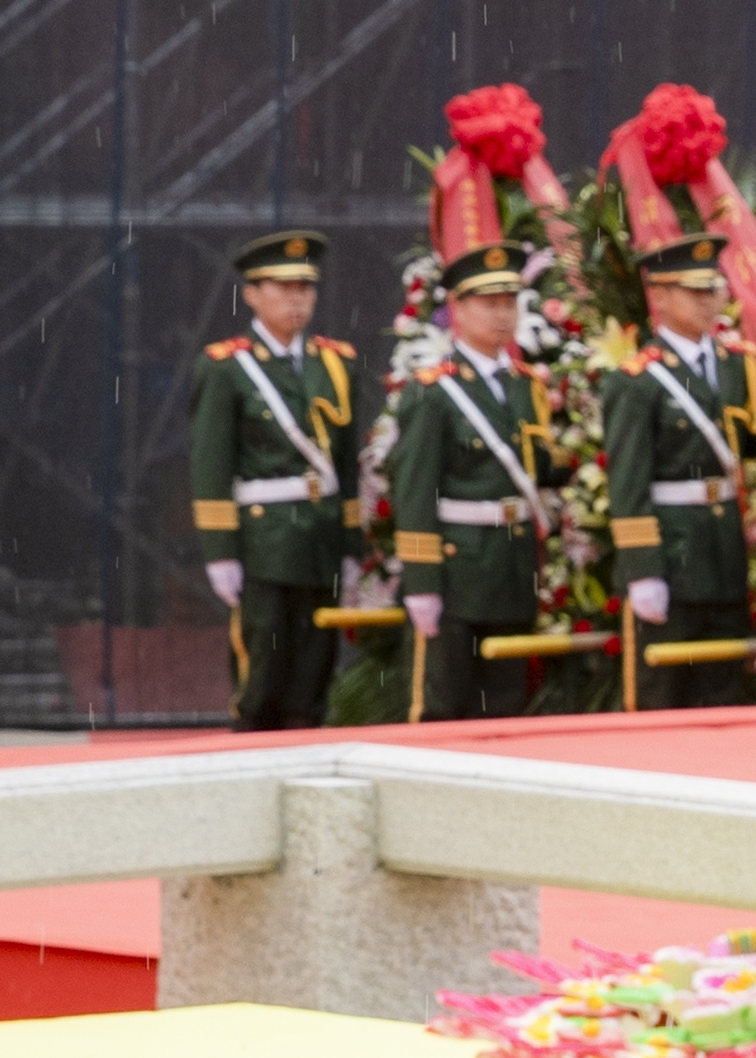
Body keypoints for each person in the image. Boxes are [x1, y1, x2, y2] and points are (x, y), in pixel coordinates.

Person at [190, 228, 364, 730]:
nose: (296, 299)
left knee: (314, 665)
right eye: (282, 288)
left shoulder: (336, 363)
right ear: (252, 293)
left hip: (322, 531)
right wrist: (220, 550)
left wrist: (351, 542)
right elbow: (211, 463)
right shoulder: (226, 366)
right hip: (263, 536)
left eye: (305, 288)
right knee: (263, 662)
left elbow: (348, 461)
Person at [388, 240, 554, 721]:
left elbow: (537, 469)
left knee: (506, 710)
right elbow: (415, 490)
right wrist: (421, 581)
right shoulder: (433, 391)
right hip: (456, 573)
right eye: (489, 303)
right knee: (443, 710)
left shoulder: (527, 385)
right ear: (457, 307)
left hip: (512, 565)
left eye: (510, 302)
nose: (502, 315)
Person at [601, 238, 756, 712]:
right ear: (660, 297)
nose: (708, 299)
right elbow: (627, 483)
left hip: (724, 547)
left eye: (714, 288)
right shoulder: (637, 380)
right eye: (694, 290)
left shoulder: (736, 366)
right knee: (662, 693)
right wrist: (643, 570)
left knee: (723, 692)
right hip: (672, 551)